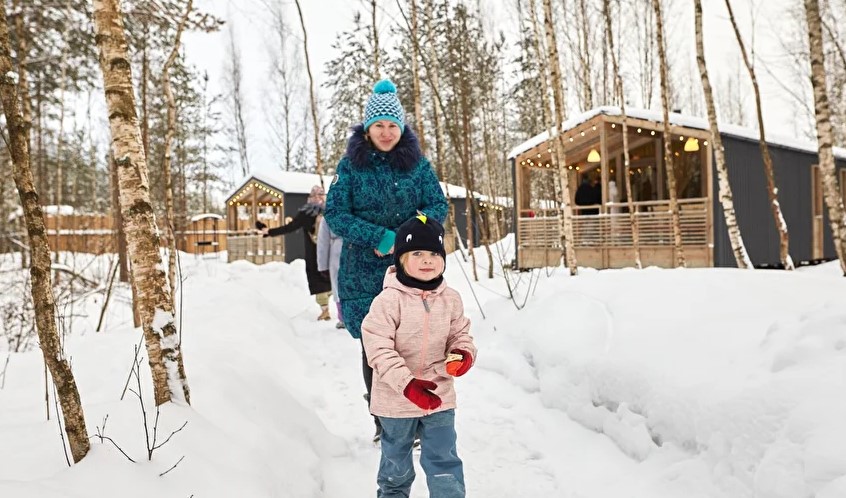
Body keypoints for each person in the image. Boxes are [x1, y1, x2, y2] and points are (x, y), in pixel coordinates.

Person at [324, 78, 449, 443]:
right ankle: (385, 421)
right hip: (363, 274)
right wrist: (377, 236)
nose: (385, 132)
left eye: (392, 125)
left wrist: (408, 236)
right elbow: (335, 213)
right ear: (367, 128)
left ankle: (417, 415)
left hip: (412, 271)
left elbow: (437, 205)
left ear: (401, 128)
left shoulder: (418, 165)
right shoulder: (351, 166)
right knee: (376, 348)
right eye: (378, 125)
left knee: (413, 345)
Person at [361, 214, 475, 498]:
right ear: (400, 259)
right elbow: (378, 349)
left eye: (434, 254)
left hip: (439, 395)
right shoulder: (388, 301)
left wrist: (462, 354)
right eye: (417, 254)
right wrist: (407, 385)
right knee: (396, 465)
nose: (427, 261)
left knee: (444, 460)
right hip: (395, 399)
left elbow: (460, 334)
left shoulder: (451, 299)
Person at [260, 185, 332, 320]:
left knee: (317, 279)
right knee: (332, 278)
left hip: (314, 252)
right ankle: (337, 309)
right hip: (331, 252)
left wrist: (269, 232)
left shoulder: (306, 213)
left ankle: (325, 309)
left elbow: (290, 227)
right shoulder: (332, 211)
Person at [316, 219, 345, 329]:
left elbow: (323, 243)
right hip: (357, 251)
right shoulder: (357, 210)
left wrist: (323, 266)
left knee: (338, 287)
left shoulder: (330, 216)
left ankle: (343, 318)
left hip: (337, 252)